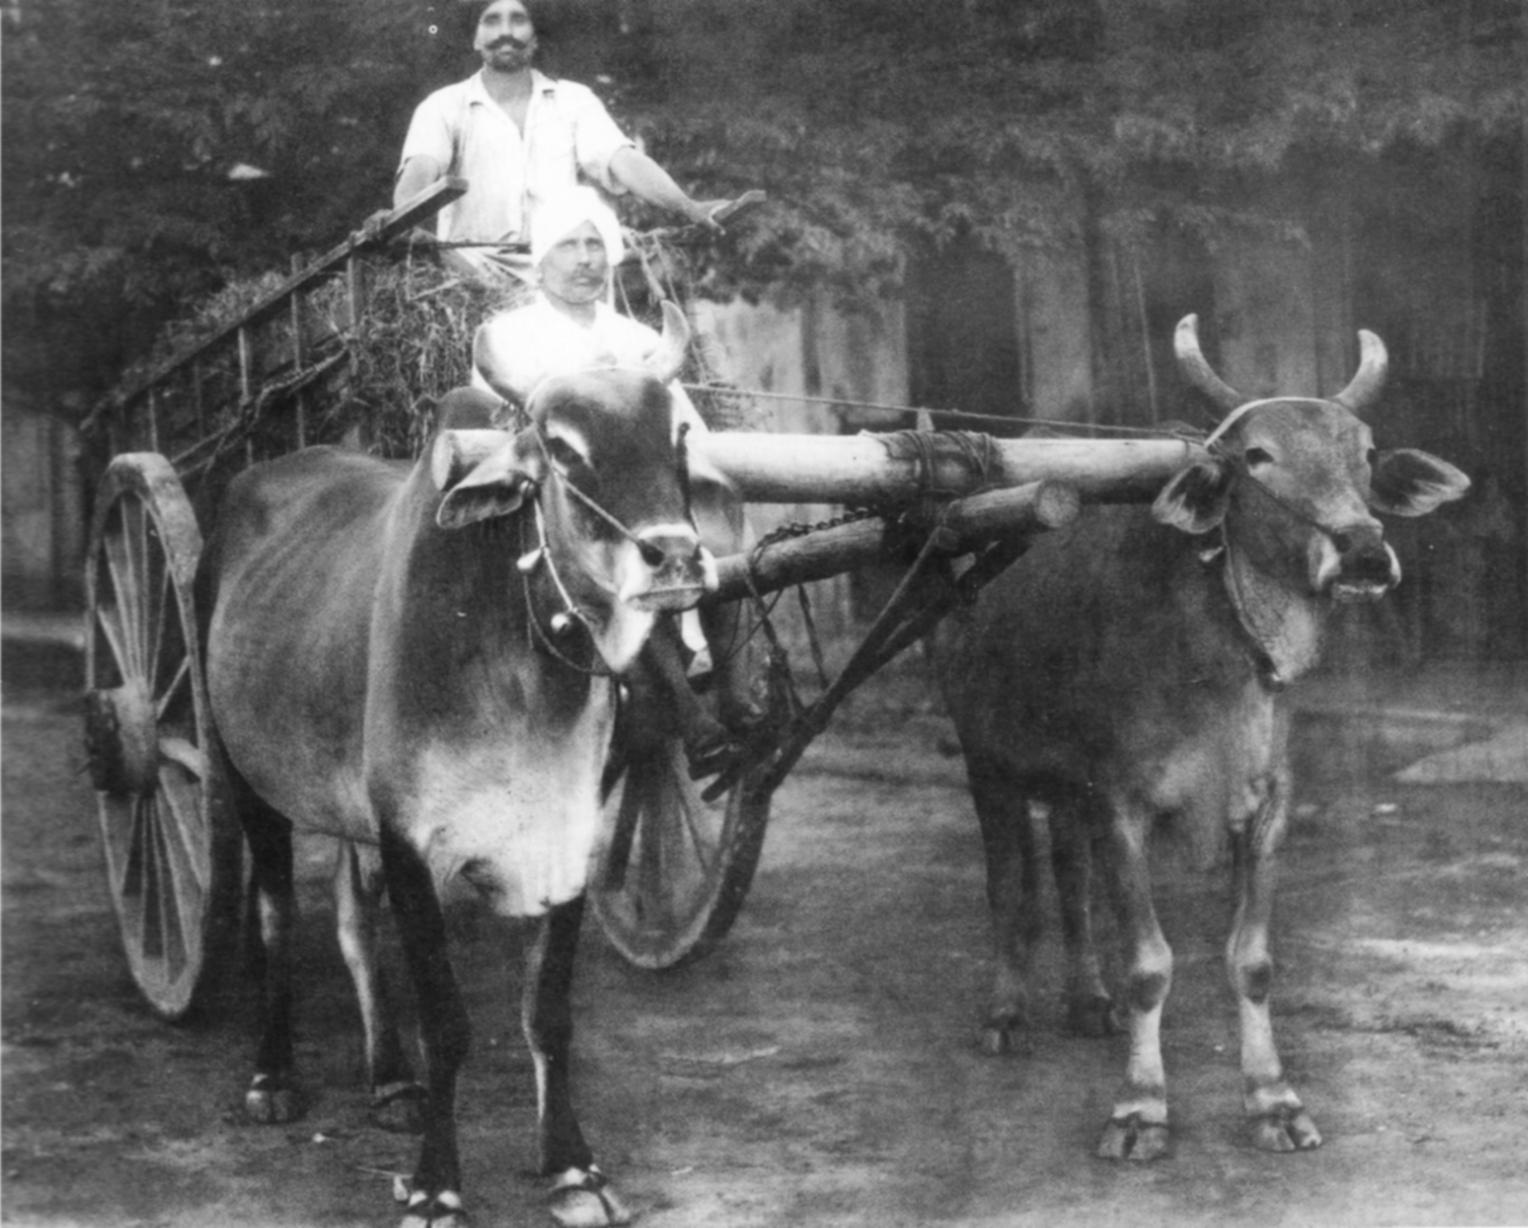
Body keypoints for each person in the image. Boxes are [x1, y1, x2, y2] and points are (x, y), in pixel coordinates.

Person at [469, 186, 762, 773]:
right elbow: (505, 434)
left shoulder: (642, 342)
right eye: (568, 246)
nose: (584, 260)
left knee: (726, 543)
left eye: (594, 245)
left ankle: (739, 694)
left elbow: (684, 428)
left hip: (652, 495)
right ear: (541, 261)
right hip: (571, 507)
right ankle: (684, 709)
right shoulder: (510, 339)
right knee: (612, 563)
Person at [394, 0, 733, 283]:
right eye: (492, 21)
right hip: (472, 272)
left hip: (563, 271)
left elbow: (622, 160)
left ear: (536, 37)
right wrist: (406, 220)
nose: (506, 33)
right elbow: (419, 172)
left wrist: (685, 206)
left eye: (519, 20)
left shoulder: (574, 100)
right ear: (475, 38)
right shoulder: (443, 106)